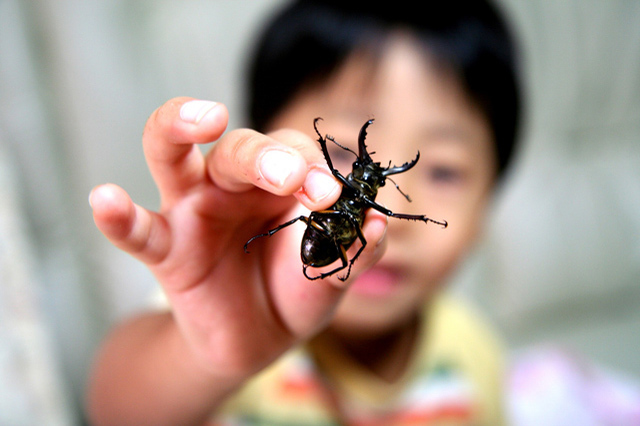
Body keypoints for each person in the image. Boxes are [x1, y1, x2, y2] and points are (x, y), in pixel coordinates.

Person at [86, 0, 520, 424]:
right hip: (311, 244)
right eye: (340, 153)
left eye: (443, 172)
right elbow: (113, 410)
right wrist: (208, 356)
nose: (389, 216)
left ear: (489, 207)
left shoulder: (477, 360)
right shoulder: (231, 289)